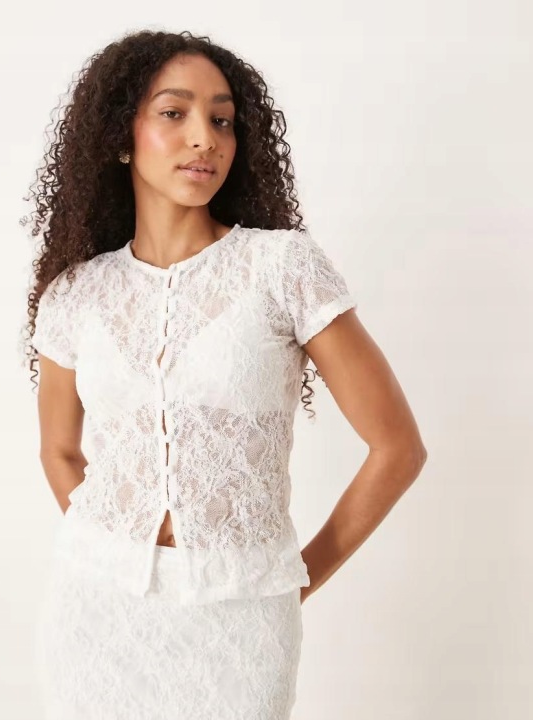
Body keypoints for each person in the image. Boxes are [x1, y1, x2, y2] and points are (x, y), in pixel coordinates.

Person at [21, 29, 427, 720]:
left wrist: (292, 582)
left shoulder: (282, 269)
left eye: (222, 120)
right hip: (95, 612)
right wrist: (116, 547)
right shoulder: (76, 293)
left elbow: (397, 450)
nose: (204, 138)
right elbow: (59, 450)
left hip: (243, 618)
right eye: (174, 113)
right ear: (122, 136)